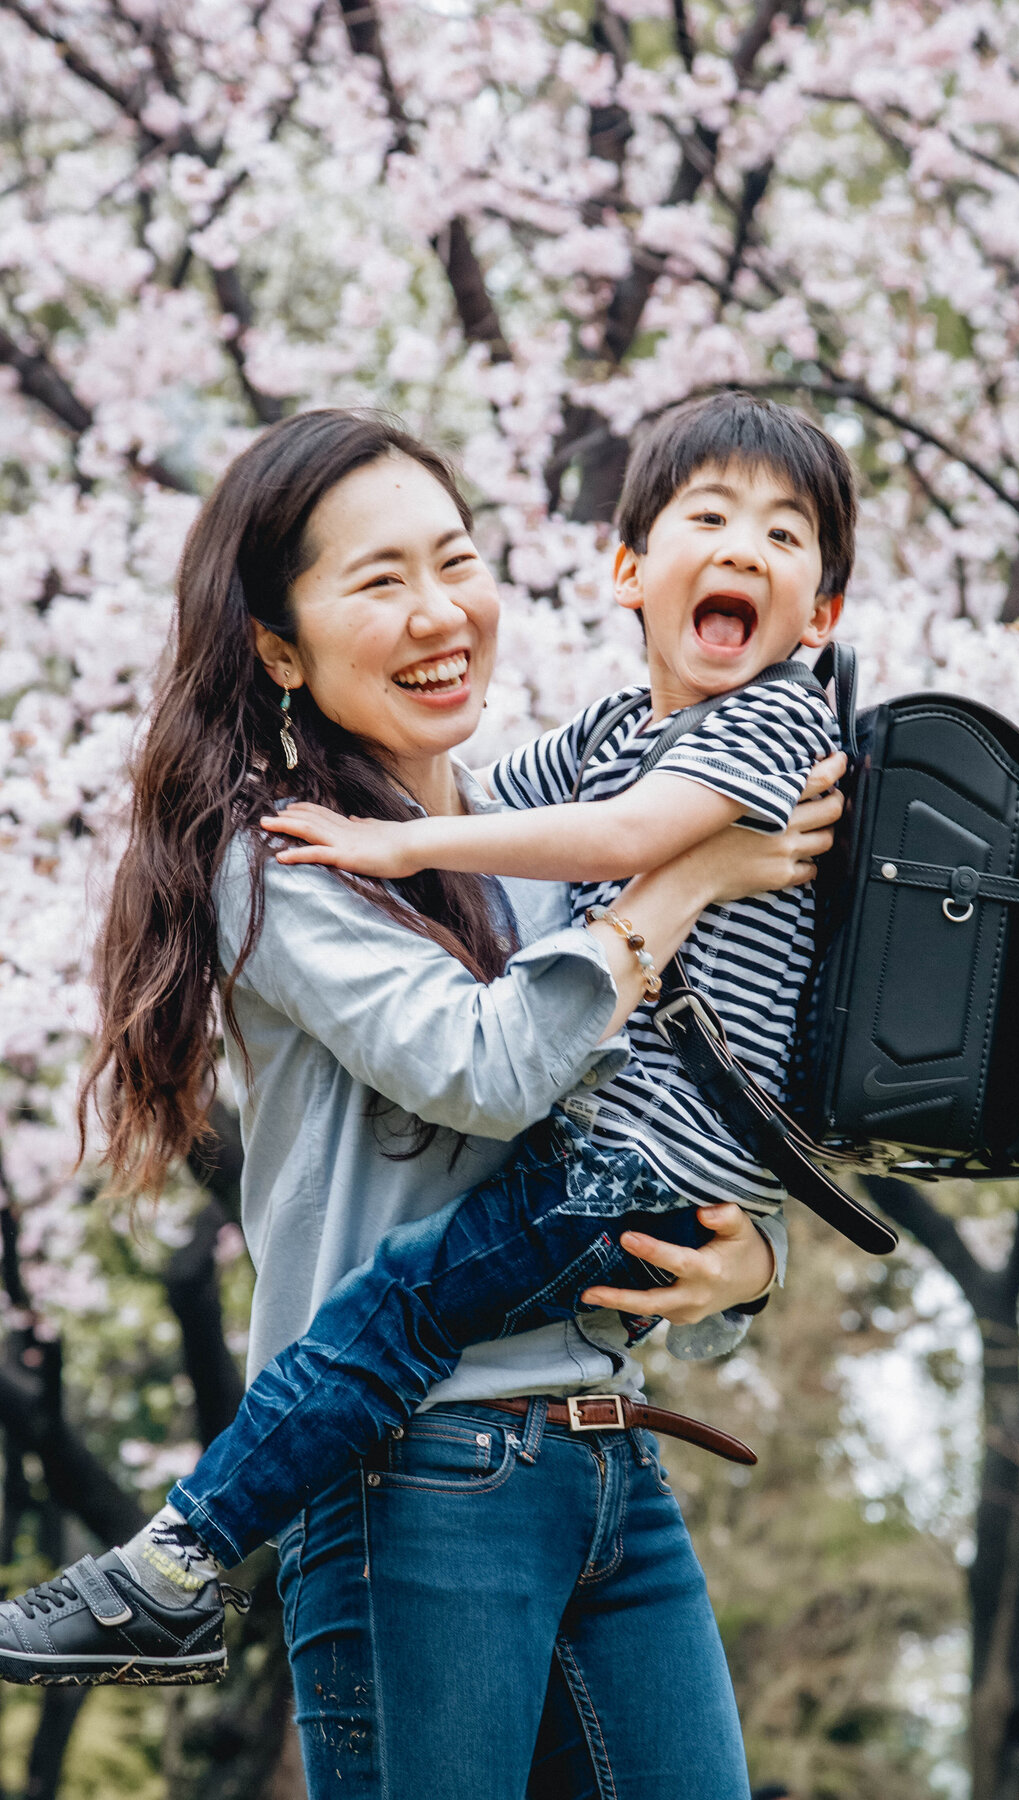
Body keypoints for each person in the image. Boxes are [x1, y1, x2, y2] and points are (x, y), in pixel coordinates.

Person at [0, 401, 846, 1799]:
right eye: (380, 581)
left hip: (614, 1473)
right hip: (418, 1485)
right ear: (280, 646)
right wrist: (693, 877)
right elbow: (490, 1066)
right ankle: (168, 1568)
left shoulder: (546, 844)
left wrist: (740, 1269)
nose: (440, 611)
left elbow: (672, 1111)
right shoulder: (284, 865)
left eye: (456, 562)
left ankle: (170, 1564)